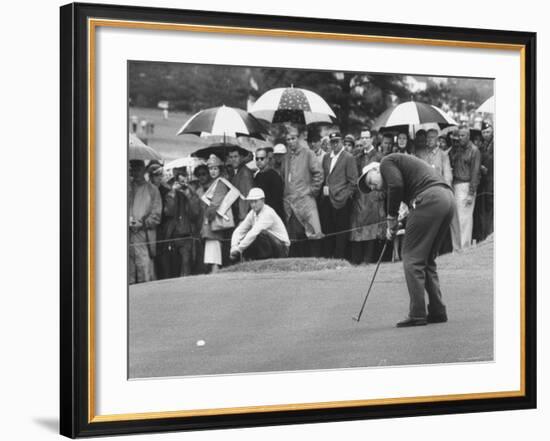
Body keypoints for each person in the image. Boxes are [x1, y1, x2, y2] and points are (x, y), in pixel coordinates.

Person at [358, 154, 456, 327]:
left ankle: (417, 314)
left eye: (369, 181)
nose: (372, 187)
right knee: (427, 260)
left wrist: (391, 218)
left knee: (412, 258)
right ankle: (437, 311)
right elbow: (410, 206)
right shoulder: (399, 172)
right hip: (446, 199)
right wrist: (396, 223)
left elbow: (396, 186)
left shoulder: (386, 163)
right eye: (369, 188)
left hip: (430, 198)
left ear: (375, 169)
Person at [281, 124, 324, 257]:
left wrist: (311, 191)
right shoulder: (286, 157)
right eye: (288, 139)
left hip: (306, 201)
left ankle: (314, 261)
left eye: (293, 138)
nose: (290, 142)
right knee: (295, 235)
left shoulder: (308, 153)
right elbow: (284, 177)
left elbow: (319, 174)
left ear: (298, 138)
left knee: (312, 233)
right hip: (291, 203)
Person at [319, 132, 358, 259]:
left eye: (337, 141)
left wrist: (344, 196)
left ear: (341, 141)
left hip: (341, 200)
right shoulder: (326, 157)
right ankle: (328, 256)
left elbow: (353, 182)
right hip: (327, 199)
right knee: (328, 229)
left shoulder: (348, 157)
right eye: (332, 142)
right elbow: (325, 177)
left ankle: (339, 258)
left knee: (341, 231)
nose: (335, 144)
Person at [200, 155, 240, 273]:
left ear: (220, 169)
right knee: (213, 250)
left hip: (214, 221)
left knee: (214, 251)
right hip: (214, 221)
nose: (212, 171)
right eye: (211, 169)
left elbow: (215, 203)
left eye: (215, 168)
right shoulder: (216, 182)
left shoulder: (221, 182)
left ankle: (215, 273)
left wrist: (207, 217)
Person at [349, 135, 385, 264]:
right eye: (362, 137)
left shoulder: (380, 156)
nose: (364, 140)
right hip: (360, 197)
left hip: (374, 197)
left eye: (367, 137)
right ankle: (357, 259)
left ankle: (368, 259)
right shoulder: (358, 157)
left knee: (372, 230)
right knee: (358, 230)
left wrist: (380, 194)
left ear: (371, 139)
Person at [230, 188, 290, 261]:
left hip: (282, 248)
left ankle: (263, 260)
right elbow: (239, 230)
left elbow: (254, 232)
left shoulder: (268, 213)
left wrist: (239, 249)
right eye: (251, 202)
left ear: (263, 200)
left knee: (259, 234)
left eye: (255, 201)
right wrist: (234, 247)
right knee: (248, 236)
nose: (253, 205)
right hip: (272, 245)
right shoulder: (252, 213)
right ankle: (253, 261)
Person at [129, 160, 162, 284]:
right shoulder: (127, 187)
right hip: (128, 234)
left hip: (143, 235)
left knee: (144, 269)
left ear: (144, 170)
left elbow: (156, 215)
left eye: (138, 169)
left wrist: (142, 224)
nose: (135, 173)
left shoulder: (152, 190)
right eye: (133, 170)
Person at [448, 126, 481, 250]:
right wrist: (453, 143)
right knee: (456, 219)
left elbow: (475, 173)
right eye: (459, 135)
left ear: (468, 136)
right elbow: (450, 159)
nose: (460, 138)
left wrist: (471, 193)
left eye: (462, 135)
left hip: (466, 186)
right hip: (455, 185)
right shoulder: (457, 149)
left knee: (464, 220)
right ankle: (456, 248)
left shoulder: (474, 150)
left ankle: (464, 248)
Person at [162, 172, 201, 277]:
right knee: (173, 266)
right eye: (179, 181)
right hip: (173, 235)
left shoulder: (192, 194)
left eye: (184, 181)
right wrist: (173, 193)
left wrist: (188, 195)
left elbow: (195, 213)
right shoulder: (170, 194)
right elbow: (168, 212)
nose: (181, 184)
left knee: (186, 264)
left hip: (186, 234)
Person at [474, 120, 494, 241]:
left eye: (488, 131)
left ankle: (490, 236)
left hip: (492, 183)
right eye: (484, 132)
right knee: (482, 212)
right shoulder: (481, 147)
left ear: (492, 131)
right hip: (483, 185)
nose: (486, 134)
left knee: (491, 212)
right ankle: (484, 237)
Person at [253, 147, 285, 222]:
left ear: (267, 159)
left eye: (262, 158)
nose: (259, 161)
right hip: (261, 216)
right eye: (257, 159)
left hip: (273, 217)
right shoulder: (257, 176)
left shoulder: (274, 176)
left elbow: (276, 201)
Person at [228, 146, 254, 225]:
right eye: (231, 157)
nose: (233, 159)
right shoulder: (235, 172)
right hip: (236, 213)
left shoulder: (245, 173)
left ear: (241, 157)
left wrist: (243, 218)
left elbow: (245, 196)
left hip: (242, 216)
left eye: (236, 156)